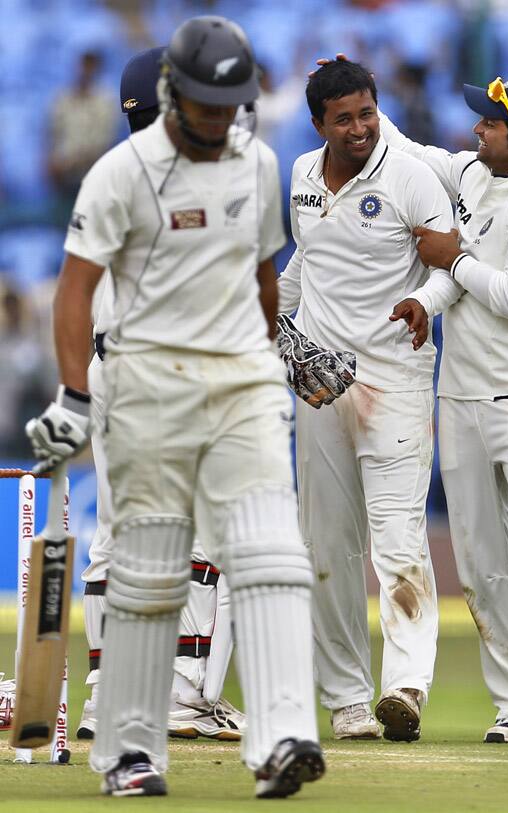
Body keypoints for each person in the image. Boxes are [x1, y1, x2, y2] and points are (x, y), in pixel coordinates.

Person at [26, 16, 324, 799]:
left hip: (239, 380)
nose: (221, 120)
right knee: (150, 570)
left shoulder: (257, 164)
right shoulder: (121, 175)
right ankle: (127, 751)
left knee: (269, 552)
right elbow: (74, 293)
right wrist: (73, 395)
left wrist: (267, 359)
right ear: (171, 96)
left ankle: (283, 735)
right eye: (205, 104)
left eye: (232, 104)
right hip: (148, 383)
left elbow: (263, 278)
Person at [376, 73, 508, 745]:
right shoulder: (470, 174)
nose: (476, 129)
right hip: (461, 395)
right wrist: (363, 104)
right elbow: (408, 149)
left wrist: (453, 259)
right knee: (482, 559)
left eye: (491, 123)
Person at [277, 59, 454, 742]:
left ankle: (405, 686)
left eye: (367, 113)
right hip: (322, 387)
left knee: (399, 539)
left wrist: (424, 301)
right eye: (343, 118)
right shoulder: (299, 176)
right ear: (318, 122)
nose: (359, 128)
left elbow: (448, 265)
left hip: (397, 380)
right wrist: (266, 320)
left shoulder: (410, 175)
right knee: (327, 546)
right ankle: (348, 700)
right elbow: (305, 263)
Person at [78, 45, 245, 745]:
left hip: (111, 372)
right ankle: (177, 691)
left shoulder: (112, 177)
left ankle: (106, 694)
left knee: (116, 537)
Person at [46, 50, 117, 227]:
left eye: (90, 66)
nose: (85, 70)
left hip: (91, 176)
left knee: (88, 229)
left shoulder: (105, 101)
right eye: (83, 65)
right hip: (63, 180)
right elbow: (52, 136)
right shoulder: (62, 98)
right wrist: (52, 163)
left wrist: (74, 162)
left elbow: (104, 144)